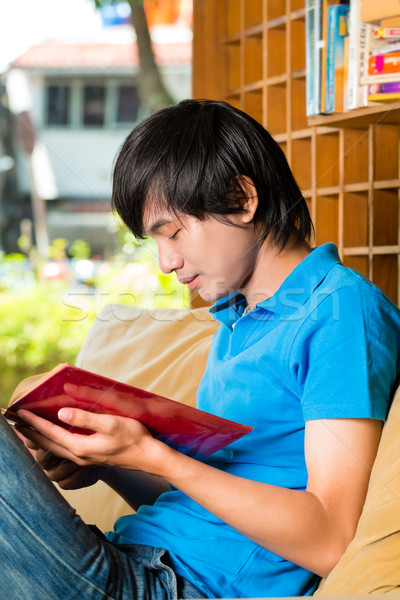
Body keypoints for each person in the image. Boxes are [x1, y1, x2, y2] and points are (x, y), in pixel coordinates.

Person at [3, 99, 400, 600]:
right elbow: (203, 499)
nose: (167, 262)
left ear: (240, 198)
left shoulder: (340, 311)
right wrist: (110, 458)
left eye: (172, 232)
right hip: (131, 560)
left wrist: (155, 454)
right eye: (155, 241)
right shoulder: (239, 319)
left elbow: (330, 538)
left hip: (174, 587)